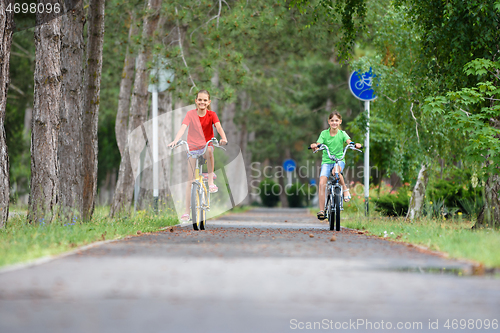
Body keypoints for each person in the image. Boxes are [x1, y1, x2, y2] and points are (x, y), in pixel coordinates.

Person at [168, 90, 228, 222]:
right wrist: (176, 140)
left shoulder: (212, 115)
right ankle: (186, 212)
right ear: (196, 101)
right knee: (190, 181)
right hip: (193, 147)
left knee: (210, 151)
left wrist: (223, 138)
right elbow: (183, 128)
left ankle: (211, 181)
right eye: (199, 100)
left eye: (205, 100)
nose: (202, 102)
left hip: (206, 145)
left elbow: (218, 128)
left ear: (209, 102)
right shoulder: (190, 114)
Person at [310, 111, 361, 220]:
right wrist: (315, 146)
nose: (334, 122)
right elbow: (319, 144)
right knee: (322, 182)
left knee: (336, 172)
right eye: (332, 120)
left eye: (336, 120)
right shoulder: (324, 134)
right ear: (328, 122)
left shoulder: (342, 134)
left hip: (339, 160)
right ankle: (322, 210)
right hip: (327, 161)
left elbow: (349, 141)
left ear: (340, 121)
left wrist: (355, 145)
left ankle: (345, 190)